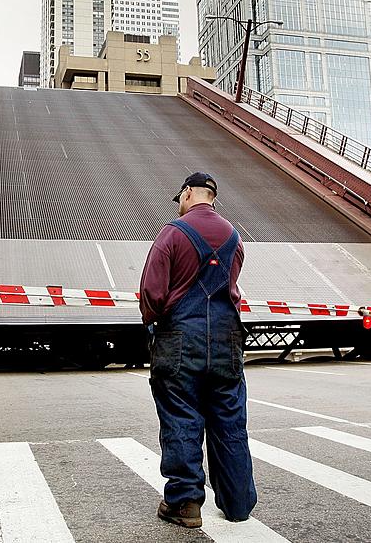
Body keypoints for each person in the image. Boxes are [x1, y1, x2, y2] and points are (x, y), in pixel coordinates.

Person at [139, 172, 257, 529]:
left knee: (181, 418)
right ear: (213, 198)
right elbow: (230, 285)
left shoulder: (173, 233)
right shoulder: (235, 238)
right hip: (226, 341)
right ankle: (238, 503)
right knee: (229, 421)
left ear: (187, 194)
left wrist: (154, 323)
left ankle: (185, 503)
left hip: (180, 340)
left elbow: (152, 292)